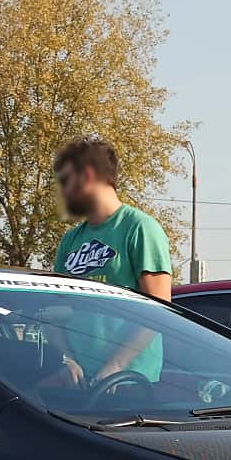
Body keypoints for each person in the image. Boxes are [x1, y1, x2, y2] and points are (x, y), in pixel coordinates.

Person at [50, 136, 169, 386]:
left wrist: (115, 366)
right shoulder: (70, 240)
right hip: (78, 383)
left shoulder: (140, 228)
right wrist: (67, 359)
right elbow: (54, 312)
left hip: (129, 384)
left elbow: (159, 310)